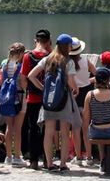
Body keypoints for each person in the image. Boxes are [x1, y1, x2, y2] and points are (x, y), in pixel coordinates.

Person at [30, 33, 80, 171]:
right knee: (64, 133)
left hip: (49, 100)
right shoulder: (68, 61)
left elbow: (31, 76)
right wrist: (76, 89)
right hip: (64, 99)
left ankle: (50, 164)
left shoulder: (47, 59)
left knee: (49, 132)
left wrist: (43, 89)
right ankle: (63, 164)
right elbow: (71, 81)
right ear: (67, 46)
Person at [19, 29, 51, 168]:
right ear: (49, 41)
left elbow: (23, 78)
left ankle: (33, 161)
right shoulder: (51, 56)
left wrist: (28, 91)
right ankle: (46, 158)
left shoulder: (28, 56)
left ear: (35, 40)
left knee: (33, 129)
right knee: (47, 129)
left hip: (32, 98)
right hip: (48, 99)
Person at [0, 43, 27, 167]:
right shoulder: (21, 66)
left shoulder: (5, 65)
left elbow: (1, 81)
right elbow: (23, 84)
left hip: (6, 98)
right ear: (21, 53)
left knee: (9, 127)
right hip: (19, 97)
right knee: (18, 129)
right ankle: (17, 156)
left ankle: (8, 156)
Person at [70, 38, 95, 166]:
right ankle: (89, 157)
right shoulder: (86, 60)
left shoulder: (67, 63)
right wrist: (89, 81)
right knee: (86, 128)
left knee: (75, 128)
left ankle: (78, 157)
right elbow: (97, 74)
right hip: (86, 94)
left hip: (73, 95)